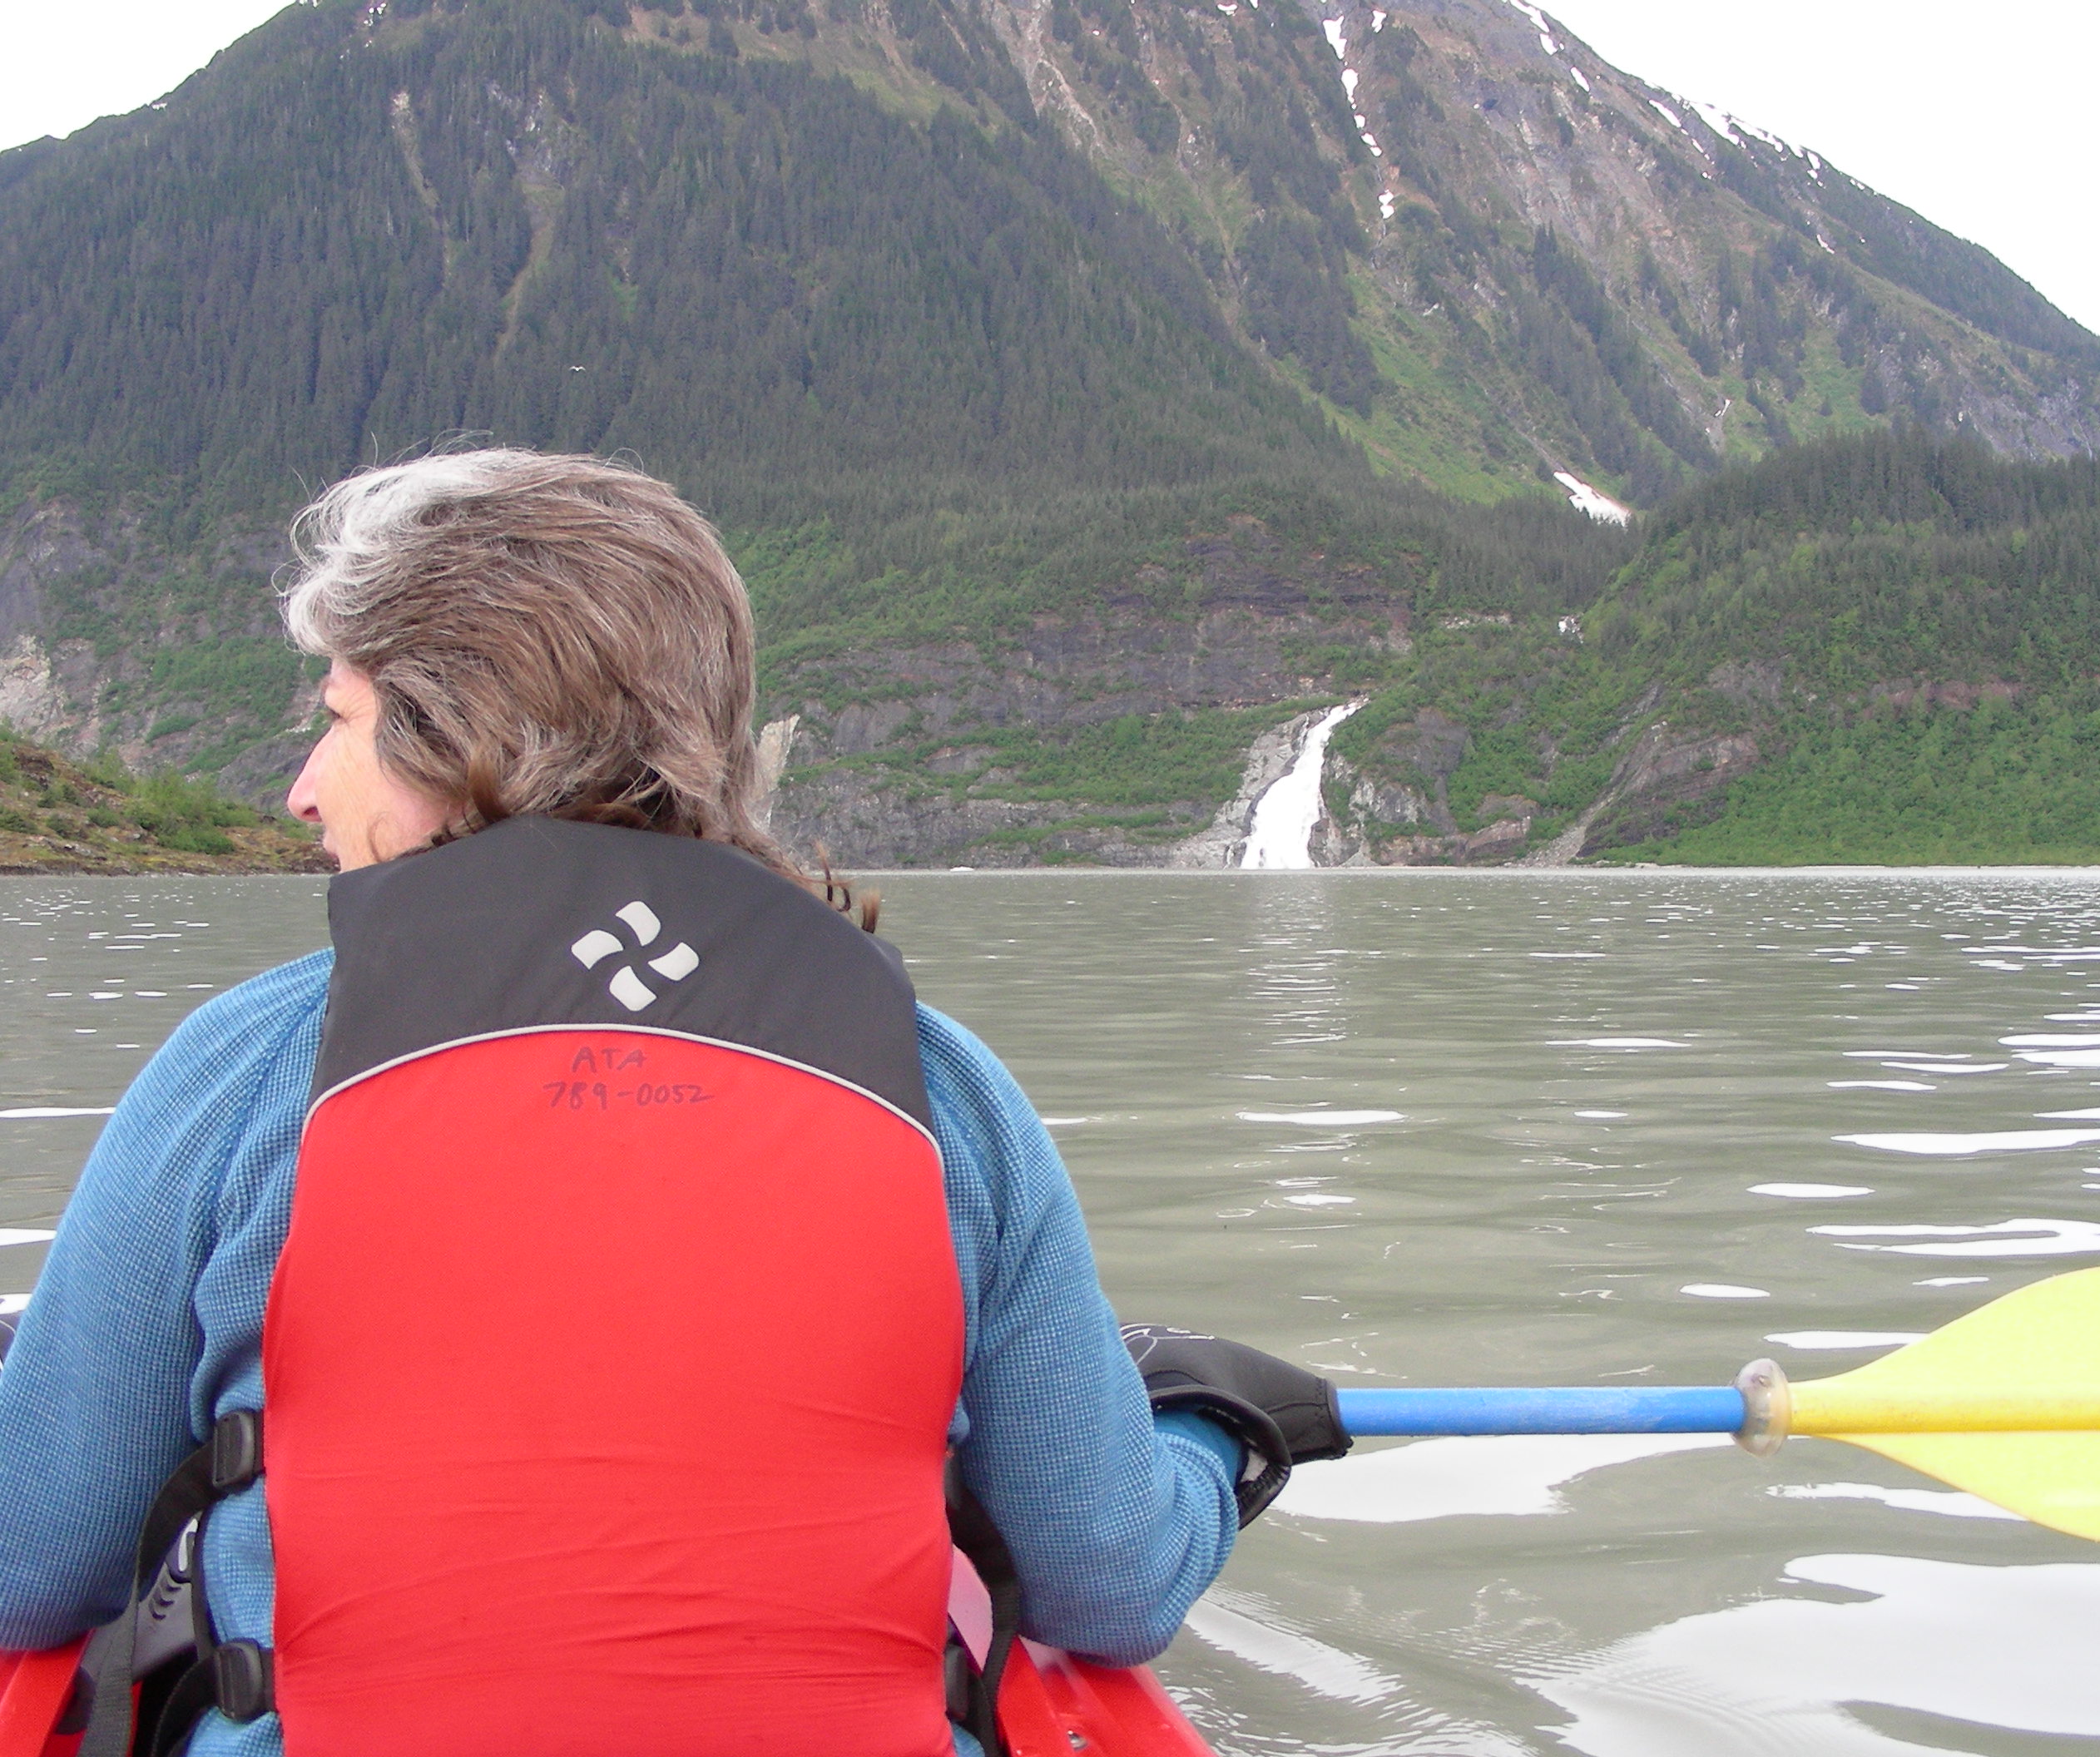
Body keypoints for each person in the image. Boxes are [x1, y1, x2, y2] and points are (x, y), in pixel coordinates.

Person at [0, 451, 1343, 1757]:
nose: (302, 788)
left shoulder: (244, 1071)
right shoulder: (937, 1086)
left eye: (338, 722)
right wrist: (1206, 1432)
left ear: (450, 737)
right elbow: (1108, 1583)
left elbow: (31, 1562)